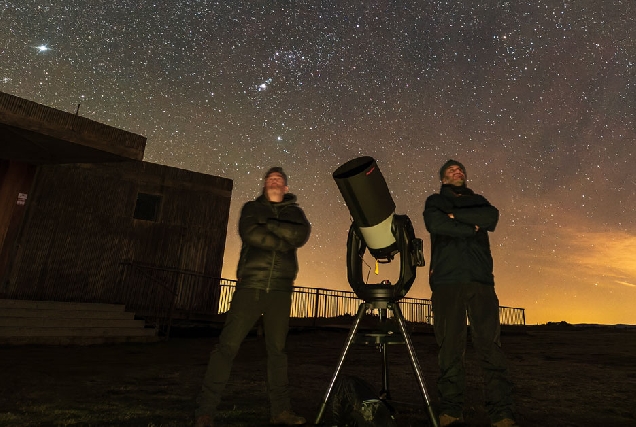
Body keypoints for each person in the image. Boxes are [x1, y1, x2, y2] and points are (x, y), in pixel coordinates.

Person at [195, 167, 311, 427]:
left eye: (279, 180)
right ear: (264, 184)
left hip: (280, 290)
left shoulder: (296, 213)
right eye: (270, 179)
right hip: (251, 286)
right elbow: (250, 233)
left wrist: (270, 225)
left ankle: (280, 411)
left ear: (286, 188)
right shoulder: (251, 208)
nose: (274, 182)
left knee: (278, 352)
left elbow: (300, 235)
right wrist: (283, 240)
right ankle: (205, 411)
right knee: (227, 347)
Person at [423, 160, 517, 427]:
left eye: (460, 170)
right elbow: (435, 224)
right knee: (450, 348)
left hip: (480, 281)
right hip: (447, 282)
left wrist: (455, 216)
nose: (457, 172)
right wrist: (468, 226)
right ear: (442, 179)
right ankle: (451, 410)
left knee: (490, 347)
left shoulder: (480, 200)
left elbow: (491, 218)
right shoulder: (434, 201)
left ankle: (502, 413)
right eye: (451, 171)